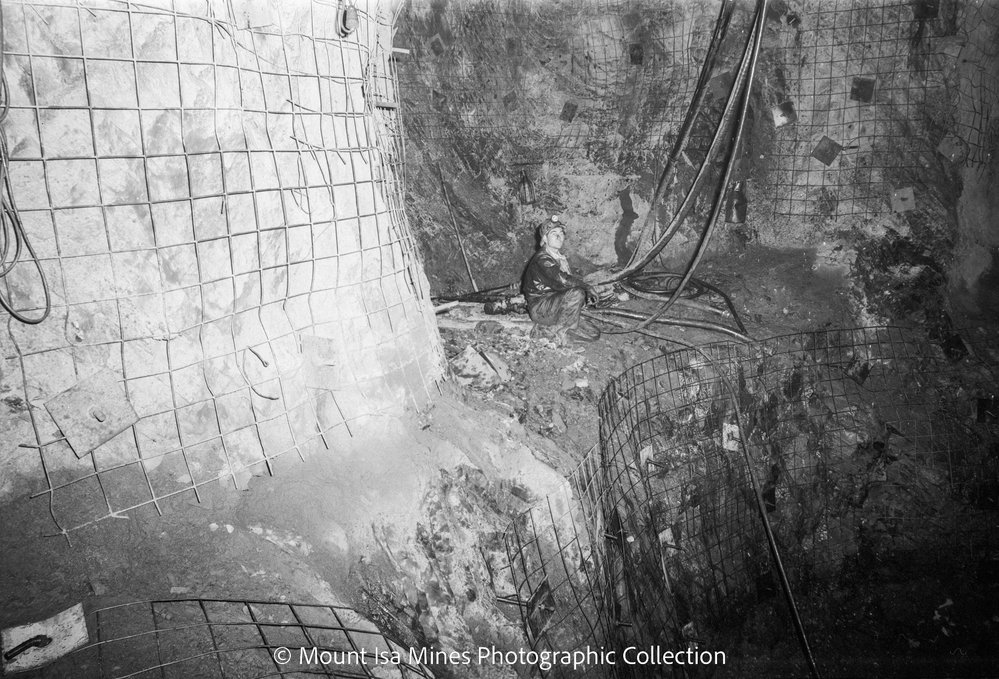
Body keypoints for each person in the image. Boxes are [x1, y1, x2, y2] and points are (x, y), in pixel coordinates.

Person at [522, 217, 601, 343]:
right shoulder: (542, 260)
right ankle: (558, 332)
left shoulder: (557, 256)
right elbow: (562, 280)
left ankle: (565, 327)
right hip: (540, 307)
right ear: (545, 239)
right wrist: (587, 287)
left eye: (561, 233)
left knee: (593, 332)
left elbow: (567, 280)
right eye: (554, 234)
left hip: (551, 303)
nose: (559, 237)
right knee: (577, 293)